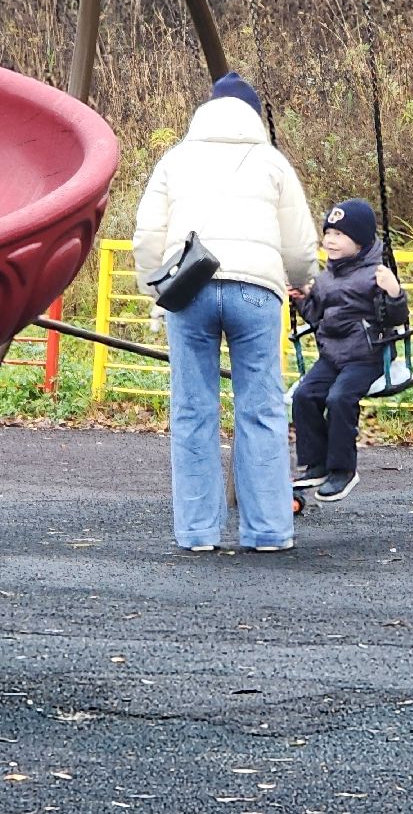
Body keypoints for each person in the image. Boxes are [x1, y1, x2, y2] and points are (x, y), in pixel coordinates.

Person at [133, 71, 319, 553]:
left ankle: (197, 532)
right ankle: (269, 531)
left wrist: (155, 288)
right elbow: (299, 244)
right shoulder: (271, 161)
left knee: (193, 411)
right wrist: (299, 279)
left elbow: (148, 237)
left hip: (190, 288)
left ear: (206, 110)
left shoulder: (175, 159)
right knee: (261, 409)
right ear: (254, 116)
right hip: (256, 290)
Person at [288, 199, 409, 502]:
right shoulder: (326, 277)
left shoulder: (376, 273)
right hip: (333, 355)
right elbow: (317, 317)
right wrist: (302, 299)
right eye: (327, 232)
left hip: (368, 355)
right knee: (305, 395)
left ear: (361, 239)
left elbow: (396, 317)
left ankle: (343, 470)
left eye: (339, 234)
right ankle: (316, 464)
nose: (330, 240)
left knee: (340, 398)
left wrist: (394, 292)